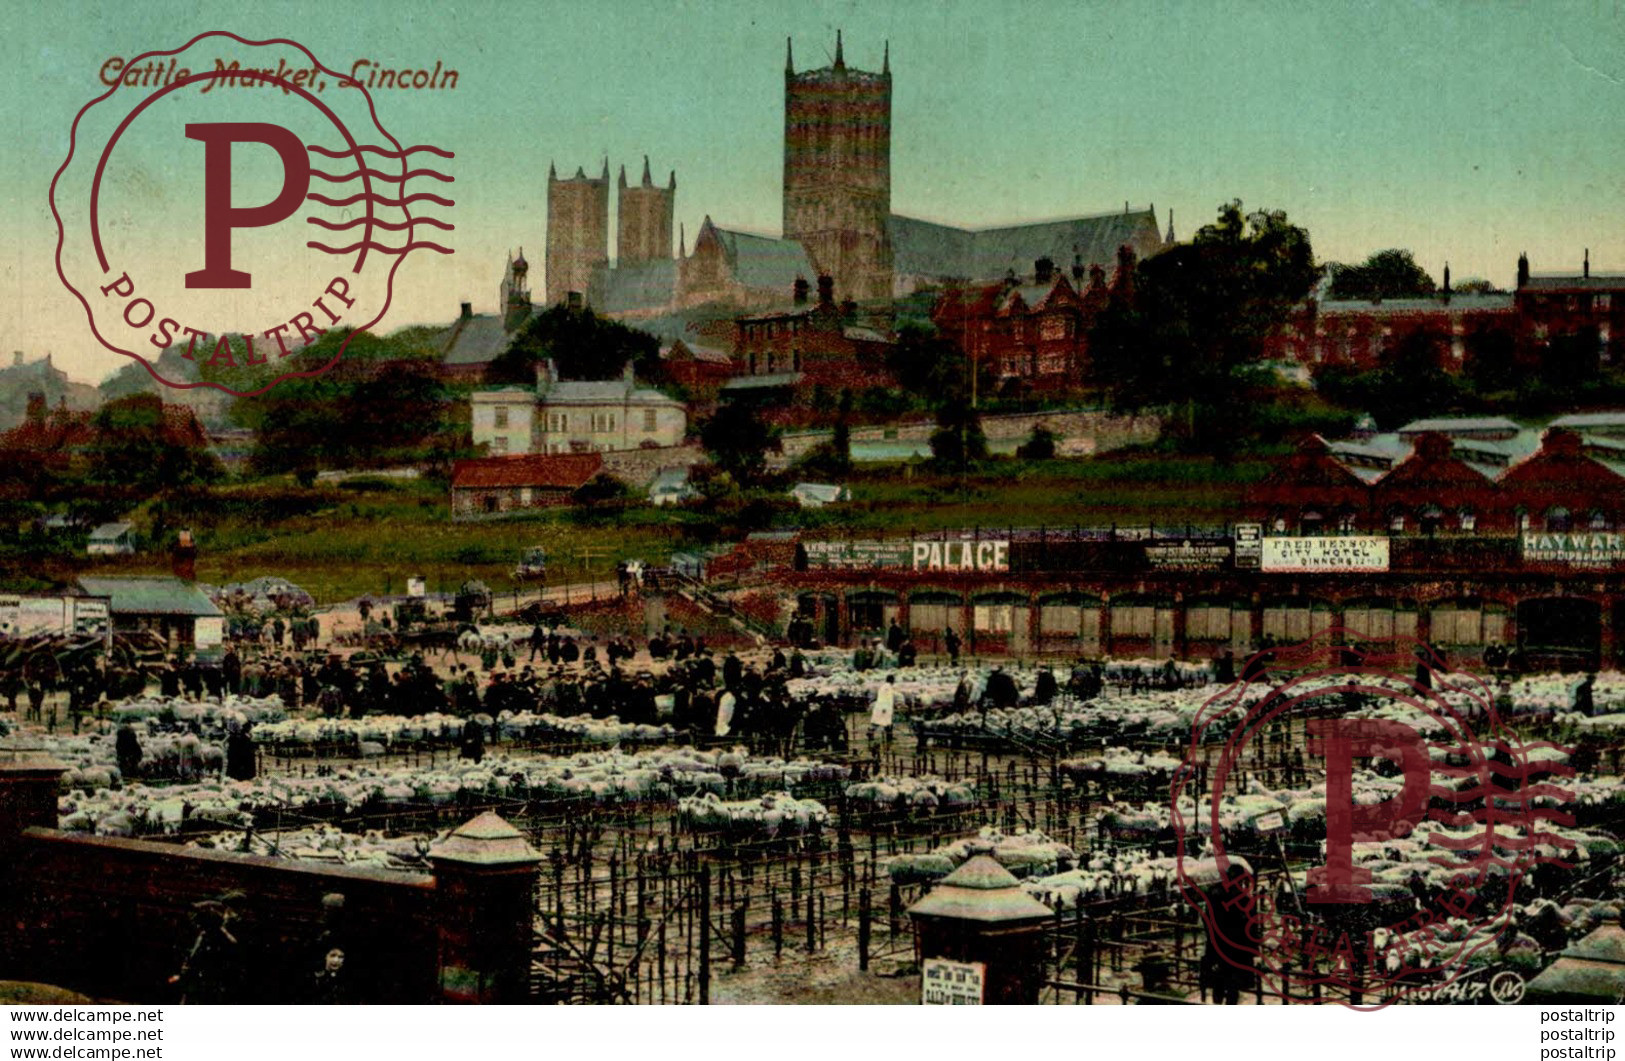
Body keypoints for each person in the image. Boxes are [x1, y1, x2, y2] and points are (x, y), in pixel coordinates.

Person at [1202, 862, 1256, 1005]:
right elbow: (1251, 925)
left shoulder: (1213, 894)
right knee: (1233, 985)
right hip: (1236, 948)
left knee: (1218, 981)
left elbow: (1206, 919)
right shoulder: (1243, 899)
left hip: (1216, 944)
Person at [869, 674, 897, 747]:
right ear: (892, 680)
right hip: (884, 708)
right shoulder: (887, 688)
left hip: (885, 707)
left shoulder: (885, 687)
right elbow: (884, 698)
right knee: (881, 721)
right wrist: (884, 707)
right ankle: (871, 733)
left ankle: (889, 736)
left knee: (885, 722)